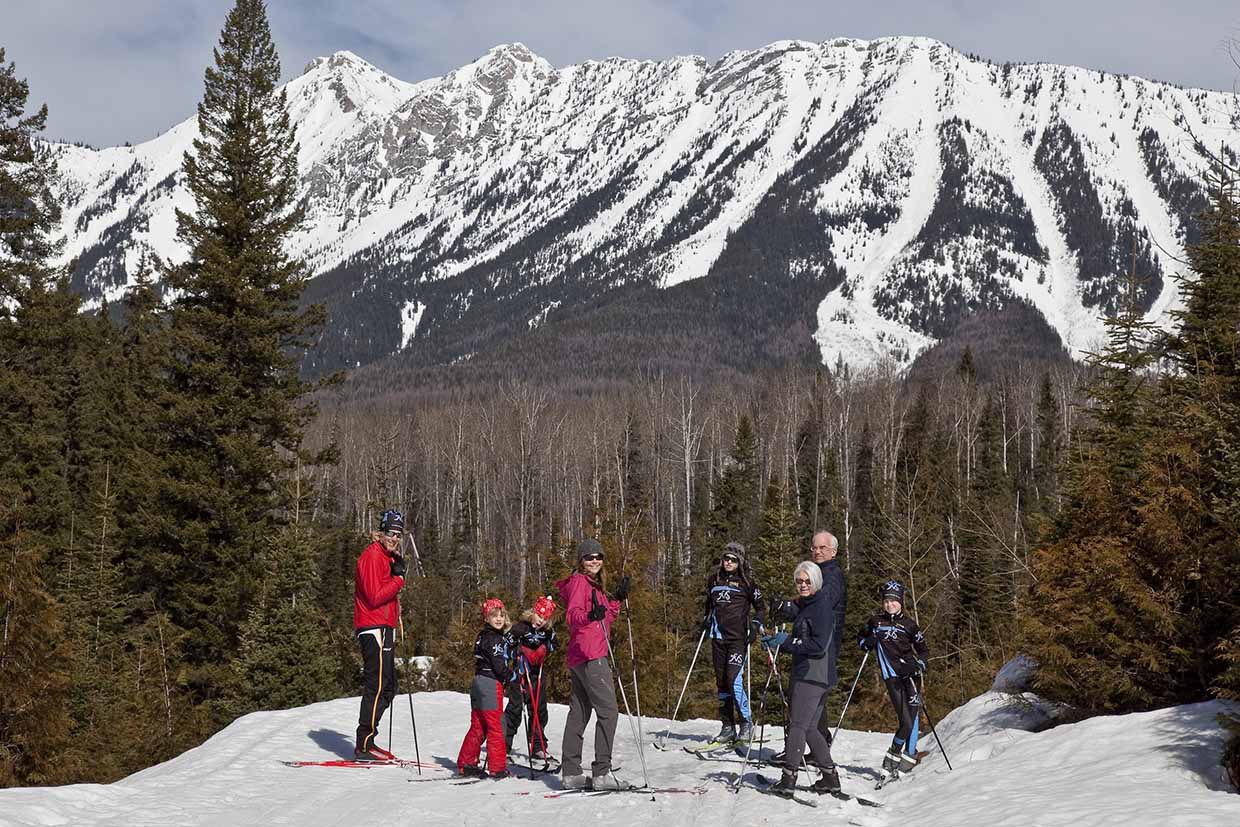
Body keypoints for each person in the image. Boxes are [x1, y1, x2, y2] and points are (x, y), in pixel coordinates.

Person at [556, 538, 631, 790]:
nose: (595, 561)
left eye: (598, 556)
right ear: (581, 560)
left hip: (581, 654)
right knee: (609, 712)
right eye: (589, 557)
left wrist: (616, 599)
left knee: (579, 712)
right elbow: (573, 615)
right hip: (591, 655)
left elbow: (606, 617)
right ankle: (601, 773)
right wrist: (590, 615)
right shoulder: (580, 582)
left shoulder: (592, 585)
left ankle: (571, 772)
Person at [762, 561, 840, 796]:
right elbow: (794, 615)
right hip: (815, 674)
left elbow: (818, 645)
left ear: (817, 582)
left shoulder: (821, 607)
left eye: (808, 581)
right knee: (810, 728)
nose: (803, 585)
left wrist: (786, 641)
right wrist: (775, 639)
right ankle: (830, 778)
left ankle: (788, 779)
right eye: (799, 581)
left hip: (811, 674)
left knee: (797, 725)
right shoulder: (809, 604)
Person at [858, 579, 928, 776]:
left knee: (913, 716)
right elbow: (860, 639)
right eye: (887, 601)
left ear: (901, 602)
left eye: (894, 601)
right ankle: (893, 754)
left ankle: (910, 755)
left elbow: (923, 651)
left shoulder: (910, 625)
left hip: (911, 676)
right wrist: (868, 642)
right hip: (892, 678)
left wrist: (918, 665)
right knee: (906, 721)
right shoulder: (875, 622)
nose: (890, 605)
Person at [353, 508, 407, 761]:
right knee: (376, 685)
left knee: (389, 686)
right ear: (381, 532)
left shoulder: (387, 557)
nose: (394, 538)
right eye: (390, 533)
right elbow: (374, 596)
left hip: (384, 626)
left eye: (398, 534)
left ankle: (369, 739)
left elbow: (387, 594)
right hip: (373, 627)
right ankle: (363, 744)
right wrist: (398, 580)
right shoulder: (372, 556)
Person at [701, 541, 765, 744]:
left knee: (734, 680)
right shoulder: (714, 580)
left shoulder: (747, 583)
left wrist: (755, 625)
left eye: (733, 560)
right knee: (721, 684)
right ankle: (727, 726)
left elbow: (761, 608)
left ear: (740, 562)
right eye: (726, 558)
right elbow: (709, 605)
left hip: (737, 640)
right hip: (718, 638)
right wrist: (706, 619)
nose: (729, 562)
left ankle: (746, 723)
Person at [457, 598, 515, 779]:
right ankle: (497, 768)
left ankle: (466, 762)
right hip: (490, 683)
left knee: (479, 725)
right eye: (494, 615)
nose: (499, 619)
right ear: (486, 618)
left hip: (478, 681)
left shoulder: (483, 636)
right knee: (495, 725)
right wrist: (512, 676)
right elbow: (498, 664)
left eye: (501, 615)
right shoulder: (494, 638)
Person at [504, 595, 559, 766]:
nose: (541, 621)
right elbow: (505, 645)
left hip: (537, 675)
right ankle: (503, 746)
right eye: (539, 616)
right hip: (520, 673)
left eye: (545, 618)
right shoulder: (521, 627)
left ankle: (537, 746)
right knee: (515, 709)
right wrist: (519, 651)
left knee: (538, 710)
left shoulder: (547, 631)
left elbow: (554, 644)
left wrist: (544, 648)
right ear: (533, 612)